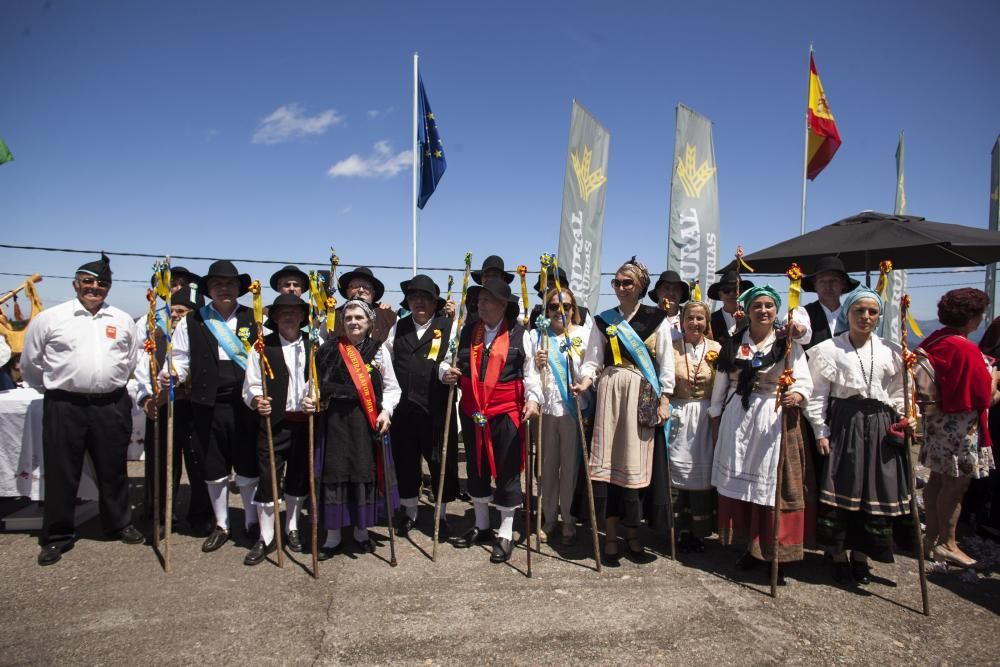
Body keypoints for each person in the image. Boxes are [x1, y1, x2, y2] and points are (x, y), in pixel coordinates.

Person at [21, 254, 144, 566]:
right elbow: (31, 365)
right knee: (63, 472)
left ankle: (118, 523)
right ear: (76, 283)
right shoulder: (50, 319)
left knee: (113, 469)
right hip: (65, 405)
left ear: (109, 287)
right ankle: (57, 536)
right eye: (88, 281)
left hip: (110, 403)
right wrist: (59, 389)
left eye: (102, 283)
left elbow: (130, 361)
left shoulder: (122, 319)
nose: (94, 288)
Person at [805, 287, 911, 585]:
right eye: (858, 311)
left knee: (874, 489)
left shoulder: (891, 350)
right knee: (843, 485)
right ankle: (838, 555)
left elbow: (899, 391)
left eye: (872, 312)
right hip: (845, 425)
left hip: (880, 427)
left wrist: (905, 415)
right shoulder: (828, 350)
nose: (865, 317)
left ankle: (862, 556)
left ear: (878, 316)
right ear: (848, 313)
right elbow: (816, 396)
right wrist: (820, 431)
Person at [576, 257, 674, 566]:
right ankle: (610, 536)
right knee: (608, 466)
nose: (620, 288)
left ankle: (633, 535)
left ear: (640, 286)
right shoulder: (604, 320)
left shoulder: (657, 319)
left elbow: (665, 365)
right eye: (616, 282)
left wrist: (665, 399)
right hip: (609, 397)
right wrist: (585, 381)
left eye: (626, 283)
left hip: (642, 397)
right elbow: (592, 358)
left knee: (635, 467)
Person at [710, 285, 812, 582]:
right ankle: (747, 548)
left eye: (769, 305)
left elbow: (803, 380)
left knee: (770, 489)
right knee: (743, 487)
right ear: (749, 310)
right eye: (758, 305)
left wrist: (798, 395)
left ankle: (771, 553)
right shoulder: (731, 344)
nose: (763, 310)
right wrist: (716, 416)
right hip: (737, 419)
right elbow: (721, 386)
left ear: (776, 310)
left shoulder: (787, 344)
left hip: (773, 416)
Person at [442, 278, 541, 563]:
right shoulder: (467, 333)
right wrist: (445, 374)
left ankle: (506, 532)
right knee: (476, 467)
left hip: (505, 412)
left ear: (503, 305)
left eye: (487, 300)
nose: (480, 305)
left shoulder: (522, 335)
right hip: (473, 411)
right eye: (479, 300)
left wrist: (533, 400)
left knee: (508, 470)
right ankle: (482, 525)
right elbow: (450, 363)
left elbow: (531, 373)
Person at [168, 260, 261, 553]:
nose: (225, 288)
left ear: (239, 289)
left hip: (245, 404)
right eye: (218, 284)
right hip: (206, 404)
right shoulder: (192, 320)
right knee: (213, 467)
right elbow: (180, 357)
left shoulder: (254, 318)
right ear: (208, 289)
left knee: (247, 465)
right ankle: (221, 524)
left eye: (230, 284)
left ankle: (250, 520)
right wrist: (170, 373)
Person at [314, 299, 401, 559]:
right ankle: (332, 536)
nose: (353, 321)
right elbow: (314, 384)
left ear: (370, 322)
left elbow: (391, 387)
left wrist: (386, 411)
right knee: (335, 473)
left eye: (359, 317)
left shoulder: (378, 350)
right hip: (334, 422)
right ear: (342, 321)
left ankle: (362, 532)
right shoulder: (328, 349)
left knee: (363, 472)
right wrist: (312, 399)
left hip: (366, 421)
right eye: (349, 317)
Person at [918, 288, 997, 568]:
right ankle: (947, 543)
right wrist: (996, 379)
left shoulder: (936, 339)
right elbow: (984, 398)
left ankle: (931, 538)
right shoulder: (964, 347)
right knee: (955, 486)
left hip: (937, 422)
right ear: (972, 316)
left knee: (937, 481)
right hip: (960, 426)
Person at [384, 274, 460, 540]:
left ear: (434, 302)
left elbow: (448, 360)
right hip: (404, 409)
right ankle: (410, 512)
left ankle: (440, 515)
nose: (419, 301)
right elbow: (387, 359)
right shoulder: (398, 327)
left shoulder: (447, 327)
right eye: (414, 297)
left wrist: (448, 374)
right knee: (406, 462)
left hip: (436, 408)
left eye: (425, 297)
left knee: (440, 462)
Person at [242, 294, 315, 565]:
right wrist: (256, 399)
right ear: (274, 317)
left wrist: (315, 400)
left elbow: (319, 381)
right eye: (283, 311)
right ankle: (266, 536)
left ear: (302, 316)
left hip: (303, 423)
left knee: (298, 478)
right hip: (273, 424)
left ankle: (292, 527)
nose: (288, 316)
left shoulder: (313, 345)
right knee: (268, 478)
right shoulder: (262, 346)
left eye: (294, 311)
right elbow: (250, 384)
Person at [134, 283, 212, 536]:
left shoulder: (203, 336)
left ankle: (201, 515)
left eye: (184, 311)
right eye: (174, 310)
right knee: (163, 465)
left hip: (196, 409)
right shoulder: (155, 338)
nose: (177, 315)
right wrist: (147, 398)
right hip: (163, 408)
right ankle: (162, 514)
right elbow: (139, 373)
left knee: (199, 464)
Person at [532, 285, 588, 545]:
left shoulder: (584, 334)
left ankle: (568, 517)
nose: (560, 311)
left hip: (571, 409)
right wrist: (537, 362)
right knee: (546, 466)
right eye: (553, 306)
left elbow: (590, 369)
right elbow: (529, 374)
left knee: (570, 467)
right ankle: (549, 515)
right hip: (546, 410)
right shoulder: (537, 336)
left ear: (573, 309)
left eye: (565, 306)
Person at [669, 301, 722, 552]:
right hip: (678, 413)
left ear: (707, 322)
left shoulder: (717, 349)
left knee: (702, 474)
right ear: (681, 321)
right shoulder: (670, 348)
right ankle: (677, 530)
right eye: (690, 318)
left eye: (700, 318)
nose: (695, 323)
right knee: (676, 470)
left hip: (706, 414)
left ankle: (699, 532)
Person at [800, 257, 860, 352]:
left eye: (834, 280)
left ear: (843, 284)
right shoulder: (803, 314)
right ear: (815, 285)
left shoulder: (853, 315)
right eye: (822, 281)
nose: (828, 286)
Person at [332, 267, 397, 343]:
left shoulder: (389, 316)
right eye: (355, 287)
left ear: (373, 293)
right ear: (347, 291)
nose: (361, 290)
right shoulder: (333, 316)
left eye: (366, 287)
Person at [526, 265, 591, 328]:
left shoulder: (582, 313)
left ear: (564, 287)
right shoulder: (536, 313)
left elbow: (592, 337)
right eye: (547, 286)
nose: (551, 289)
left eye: (555, 284)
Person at [707, 271, 755, 345]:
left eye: (736, 290)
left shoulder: (752, 318)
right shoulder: (710, 320)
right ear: (720, 295)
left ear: (742, 293)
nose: (732, 293)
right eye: (726, 290)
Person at [465, 255, 515, 320]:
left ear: (502, 278)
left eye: (495, 275)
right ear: (481, 279)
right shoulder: (472, 301)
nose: (490, 279)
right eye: (486, 275)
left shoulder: (512, 303)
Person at [648, 270, 689, 340]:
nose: (671, 293)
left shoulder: (689, 317)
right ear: (658, 292)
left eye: (676, 289)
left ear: (681, 293)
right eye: (666, 288)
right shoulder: (646, 316)